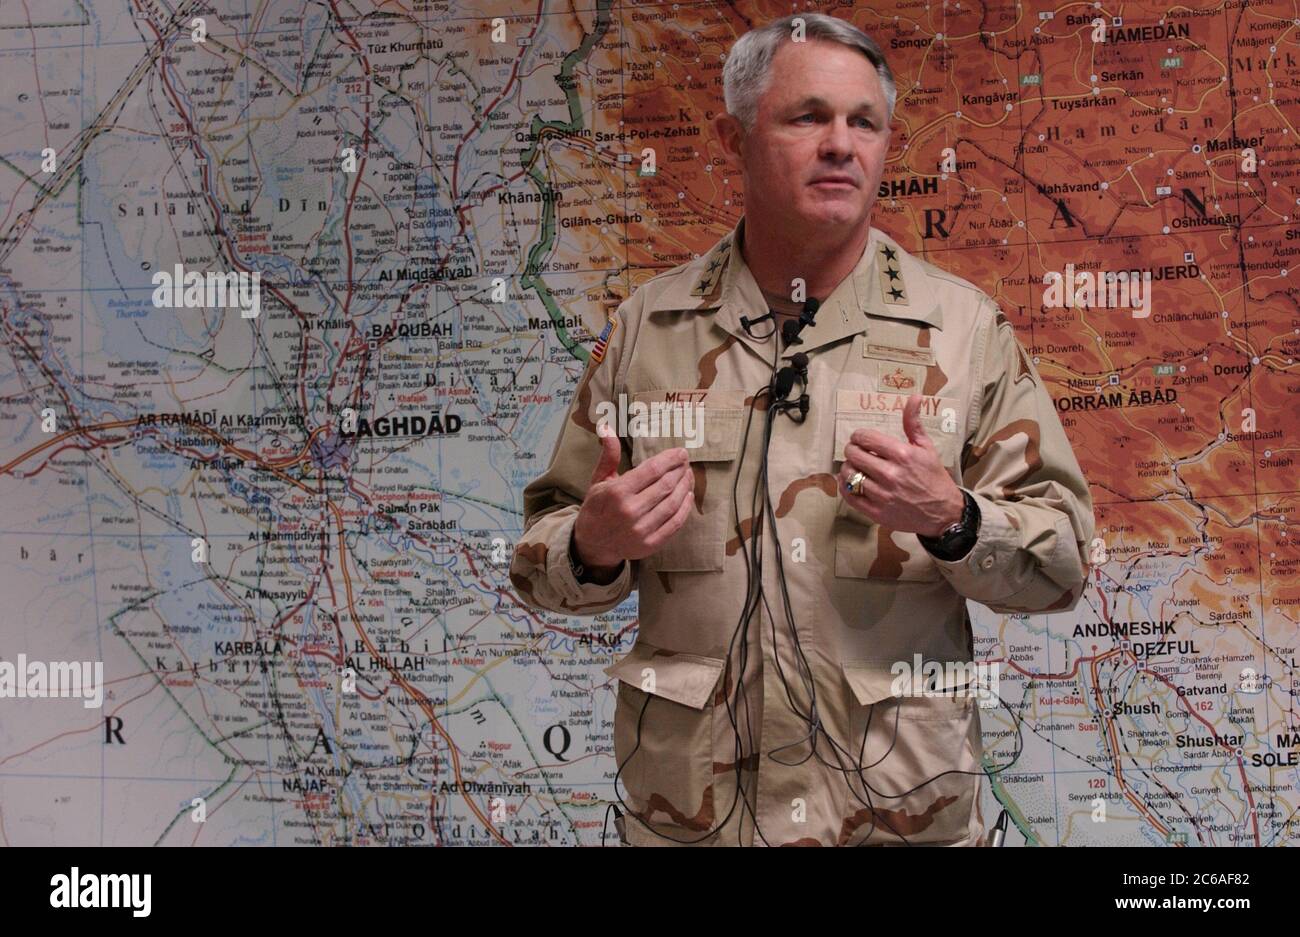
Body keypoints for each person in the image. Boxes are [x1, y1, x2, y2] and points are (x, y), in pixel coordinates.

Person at [509, 12, 1095, 847]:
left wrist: (957, 521)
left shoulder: (965, 332)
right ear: (735, 136)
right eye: (807, 117)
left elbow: (1065, 559)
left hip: (895, 822)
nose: (840, 144)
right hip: (696, 823)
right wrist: (592, 544)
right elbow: (538, 558)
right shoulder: (650, 329)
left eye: (864, 122)